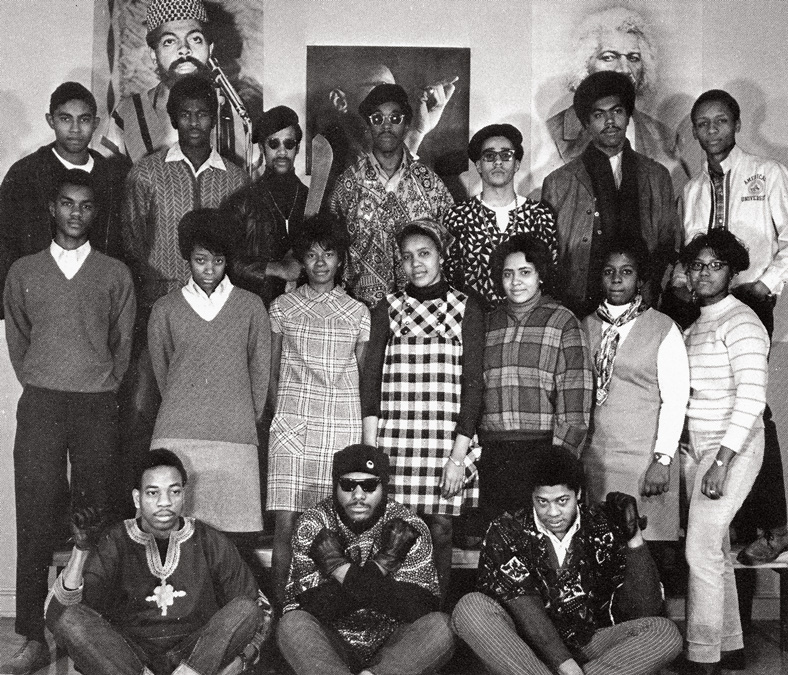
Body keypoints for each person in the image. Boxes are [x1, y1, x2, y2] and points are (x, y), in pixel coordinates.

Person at [1, 169, 136, 675]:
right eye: (66, 203)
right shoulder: (23, 271)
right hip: (42, 401)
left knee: (95, 509)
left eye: (85, 205)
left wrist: (100, 382)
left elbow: (123, 346)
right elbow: (18, 337)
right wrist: (42, 377)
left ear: (94, 213)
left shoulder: (114, 274)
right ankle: (33, 638)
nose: (75, 213)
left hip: (96, 403)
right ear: (52, 208)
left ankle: (89, 631)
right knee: (36, 510)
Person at [121, 73, 249, 504]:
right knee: (143, 406)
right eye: (186, 114)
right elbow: (133, 243)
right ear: (174, 117)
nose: (194, 122)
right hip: (161, 308)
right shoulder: (147, 173)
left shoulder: (235, 178)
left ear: (214, 118)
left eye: (202, 114)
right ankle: (139, 506)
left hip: (217, 315)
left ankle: (213, 507)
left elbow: (241, 249)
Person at [675, 89, 788, 566]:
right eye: (703, 124)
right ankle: (731, 520)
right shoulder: (694, 188)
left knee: (751, 408)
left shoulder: (768, 173)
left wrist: (766, 284)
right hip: (706, 303)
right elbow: (688, 248)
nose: (712, 131)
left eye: (720, 121)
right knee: (706, 401)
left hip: (750, 299)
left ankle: (777, 525)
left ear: (736, 124)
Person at [452, 446, 682, 675]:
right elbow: (524, 608)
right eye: (542, 502)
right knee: (470, 608)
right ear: (531, 496)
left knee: (664, 632)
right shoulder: (507, 529)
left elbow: (645, 609)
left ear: (578, 494)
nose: (552, 513)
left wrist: (634, 539)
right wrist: (565, 665)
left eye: (562, 501)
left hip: (588, 643)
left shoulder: (601, 525)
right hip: (525, 649)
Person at [45, 449, 272, 675]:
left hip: (197, 658)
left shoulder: (209, 541)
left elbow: (259, 610)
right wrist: (81, 550)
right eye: (153, 493)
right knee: (71, 620)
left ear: (184, 493)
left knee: (246, 609)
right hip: (129, 660)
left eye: (174, 492)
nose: (165, 502)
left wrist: (241, 661)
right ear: (137, 498)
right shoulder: (115, 541)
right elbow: (57, 615)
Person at [361, 219, 484, 599]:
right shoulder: (388, 307)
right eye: (407, 257)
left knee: (441, 530)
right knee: (392, 534)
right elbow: (371, 380)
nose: (416, 264)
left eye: (424, 254)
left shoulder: (466, 307)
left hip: (445, 442)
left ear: (442, 257)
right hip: (395, 441)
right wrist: (370, 452)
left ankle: (437, 614)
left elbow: (473, 385)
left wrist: (457, 458)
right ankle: (394, 614)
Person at [277, 444, 455, 675]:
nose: (358, 496)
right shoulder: (314, 523)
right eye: (348, 485)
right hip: (331, 644)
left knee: (441, 626)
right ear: (335, 486)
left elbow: (419, 607)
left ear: (384, 487)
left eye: (369, 486)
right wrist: (383, 566)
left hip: (394, 645)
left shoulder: (408, 524)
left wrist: (339, 570)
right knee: (292, 625)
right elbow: (310, 607)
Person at [267, 216, 370, 611]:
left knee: (338, 525)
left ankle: (334, 613)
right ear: (301, 261)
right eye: (311, 255)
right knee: (286, 525)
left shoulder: (358, 312)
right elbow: (273, 371)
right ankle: (281, 611)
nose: (321, 262)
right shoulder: (282, 307)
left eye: (328, 254)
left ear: (341, 259)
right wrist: (283, 416)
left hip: (340, 424)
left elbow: (359, 375)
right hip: (293, 424)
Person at [147, 208, 269, 535]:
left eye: (218, 261)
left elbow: (260, 372)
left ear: (228, 260)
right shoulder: (165, 308)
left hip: (236, 434)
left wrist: (242, 416)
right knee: (176, 535)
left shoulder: (250, 306)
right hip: (177, 433)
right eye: (201, 260)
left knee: (233, 539)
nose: (209, 270)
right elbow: (164, 371)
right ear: (187, 258)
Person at [679, 230, 768, 674]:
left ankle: (702, 655)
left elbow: (752, 401)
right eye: (697, 265)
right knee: (713, 549)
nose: (705, 273)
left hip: (731, 450)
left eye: (715, 265)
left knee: (699, 552)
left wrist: (721, 461)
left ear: (732, 271)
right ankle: (730, 648)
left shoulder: (743, 322)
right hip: (700, 449)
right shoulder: (696, 326)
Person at [541, 71, 678, 318]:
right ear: (586, 123)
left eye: (617, 111)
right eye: (599, 115)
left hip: (642, 304)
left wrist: (654, 290)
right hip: (579, 306)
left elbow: (667, 245)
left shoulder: (657, 176)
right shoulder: (558, 183)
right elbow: (550, 258)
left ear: (628, 116)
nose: (610, 121)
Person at [478, 233, 592, 524]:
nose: (516, 282)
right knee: (499, 543)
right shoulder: (487, 322)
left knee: (541, 543)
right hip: (493, 455)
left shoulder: (563, 322)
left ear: (541, 275)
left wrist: (559, 465)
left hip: (542, 452)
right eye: (508, 274)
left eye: (525, 272)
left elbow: (575, 402)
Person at [582, 238, 689, 544]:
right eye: (609, 271)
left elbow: (676, 399)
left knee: (644, 554)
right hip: (597, 459)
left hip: (644, 461)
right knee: (600, 552)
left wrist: (663, 460)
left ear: (640, 279)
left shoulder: (663, 327)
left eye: (626, 272)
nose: (616, 279)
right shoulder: (584, 325)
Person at [0, 82, 127, 315]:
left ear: (96, 123)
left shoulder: (111, 177)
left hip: (96, 302)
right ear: (51, 121)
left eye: (85, 119)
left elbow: (121, 243)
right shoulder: (25, 174)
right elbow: (5, 243)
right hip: (38, 303)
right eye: (66, 119)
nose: (76, 129)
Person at [534, 4, 690, 194]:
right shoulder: (553, 132)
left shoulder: (664, 137)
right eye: (609, 57)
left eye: (633, 58)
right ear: (584, 65)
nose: (624, 69)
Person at [329, 83, 454, 307]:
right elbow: (332, 251)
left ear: (406, 125)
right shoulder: (347, 185)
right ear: (368, 125)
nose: (386, 126)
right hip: (363, 311)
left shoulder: (430, 185)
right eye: (377, 119)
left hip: (420, 311)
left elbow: (449, 249)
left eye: (395, 118)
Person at [99, 0, 252, 170]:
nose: (184, 49)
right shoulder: (126, 115)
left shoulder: (236, 115)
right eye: (170, 41)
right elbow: (107, 186)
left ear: (210, 48)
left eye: (195, 39)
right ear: (154, 54)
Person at [444, 123, 557, 310]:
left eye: (506, 155)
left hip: (526, 319)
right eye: (489, 156)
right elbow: (448, 277)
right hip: (473, 321)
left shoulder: (540, 215)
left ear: (517, 164)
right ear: (479, 165)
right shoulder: (457, 216)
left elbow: (549, 274)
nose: (498, 162)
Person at [221, 105, 308, 309]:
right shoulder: (243, 201)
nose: (282, 152)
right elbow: (225, 261)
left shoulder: (309, 198)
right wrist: (276, 269)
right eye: (273, 143)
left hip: (301, 313)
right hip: (255, 310)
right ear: (262, 147)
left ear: (297, 148)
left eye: (289, 144)